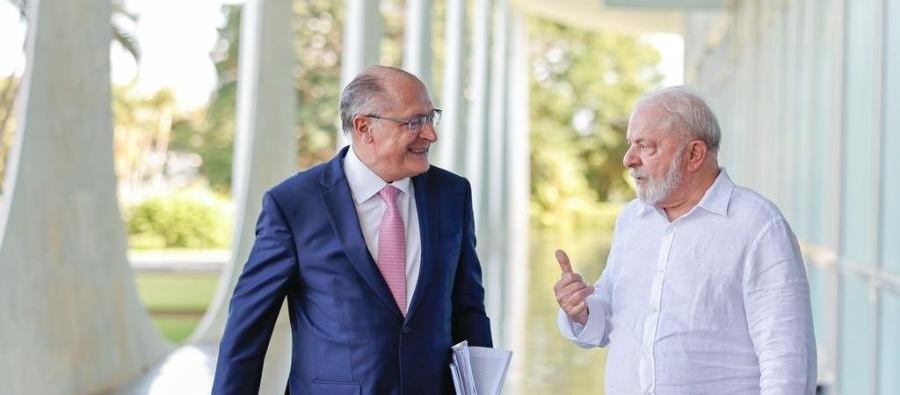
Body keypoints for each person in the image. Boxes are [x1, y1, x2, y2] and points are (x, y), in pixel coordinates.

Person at [213, 66, 492, 394]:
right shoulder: (293, 204)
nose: (431, 134)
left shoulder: (452, 194)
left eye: (431, 118)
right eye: (415, 122)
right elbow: (248, 330)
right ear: (364, 127)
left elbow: (468, 308)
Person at [554, 86, 816, 394]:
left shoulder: (758, 226)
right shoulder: (632, 220)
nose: (628, 159)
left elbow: (787, 364)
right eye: (630, 145)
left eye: (645, 146)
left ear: (693, 154)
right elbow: (611, 321)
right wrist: (581, 311)